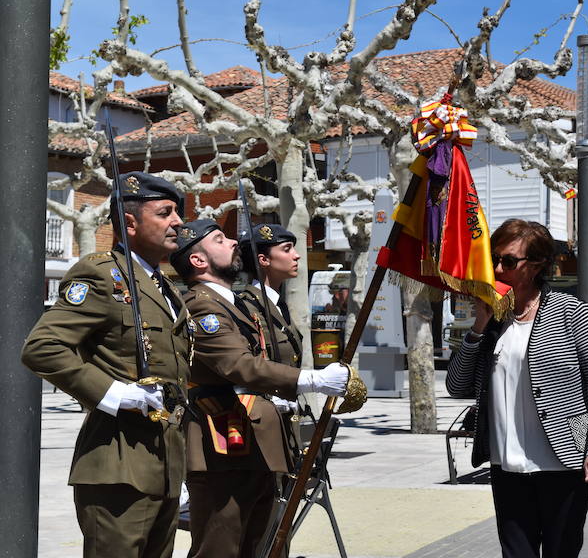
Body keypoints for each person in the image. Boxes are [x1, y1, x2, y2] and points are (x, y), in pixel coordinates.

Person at [21, 172, 191, 558]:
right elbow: (42, 347)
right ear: (129, 223)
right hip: (117, 464)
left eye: (177, 213)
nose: (178, 223)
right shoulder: (100, 274)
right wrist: (114, 393)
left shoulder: (164, 287)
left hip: (164, 463)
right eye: (165, 213)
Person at [170, 220, 348, 558]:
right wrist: (313, 379)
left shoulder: (232, 303)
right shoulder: (202, 304)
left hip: (253, 437)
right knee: (221, 545)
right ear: (197, 260)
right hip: (221, 439)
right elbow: (239, 365)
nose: (234, 241)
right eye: (220, 239)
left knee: (259, 543)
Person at [446, 219, 588, 558]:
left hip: (564, 465)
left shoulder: (571, 313)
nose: (497, 268)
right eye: (493, 259)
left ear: (536, 265)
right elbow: (456, 385)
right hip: (507, 468)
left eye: (508, 261)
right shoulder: (493, 319)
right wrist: (478, 326)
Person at [238, 223, 303, 367]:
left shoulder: (279, 304)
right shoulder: (246, 307)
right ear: (264, 260)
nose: (297, 255)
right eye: (287, 249)